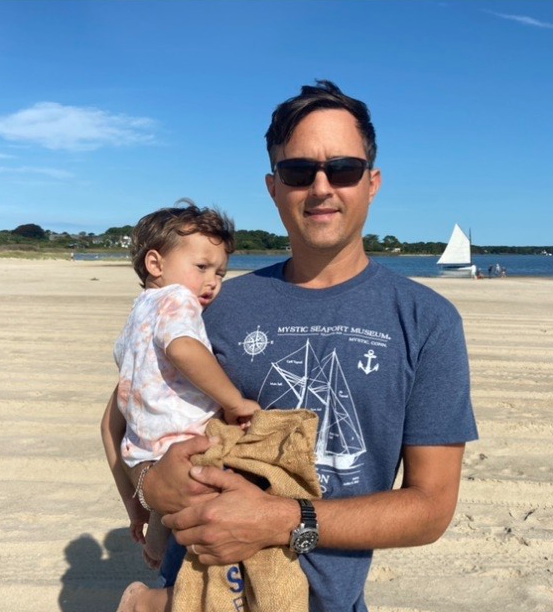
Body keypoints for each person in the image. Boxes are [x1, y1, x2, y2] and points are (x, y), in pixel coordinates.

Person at [115, 80, 478, 612]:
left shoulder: (426, 320)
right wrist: (148, 487)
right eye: (299, 171)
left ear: (372, 182)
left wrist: (284, 521)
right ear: (273, 186)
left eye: (344, 169)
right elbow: (124, 411)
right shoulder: (213, 306)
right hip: (197, 591)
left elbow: (430, 508)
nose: (322, 186)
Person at [101, 202, 260, 584]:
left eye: (221, 272)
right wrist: (233, 401)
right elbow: (183, 349)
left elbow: (114, 415)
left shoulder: (138, 312)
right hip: (182, 437)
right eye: (202, 267)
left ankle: (158, 544)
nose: (213, 282)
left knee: (169, 518)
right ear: (155, 264)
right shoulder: (178, 299)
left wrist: (133, 507)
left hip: (144, 445)